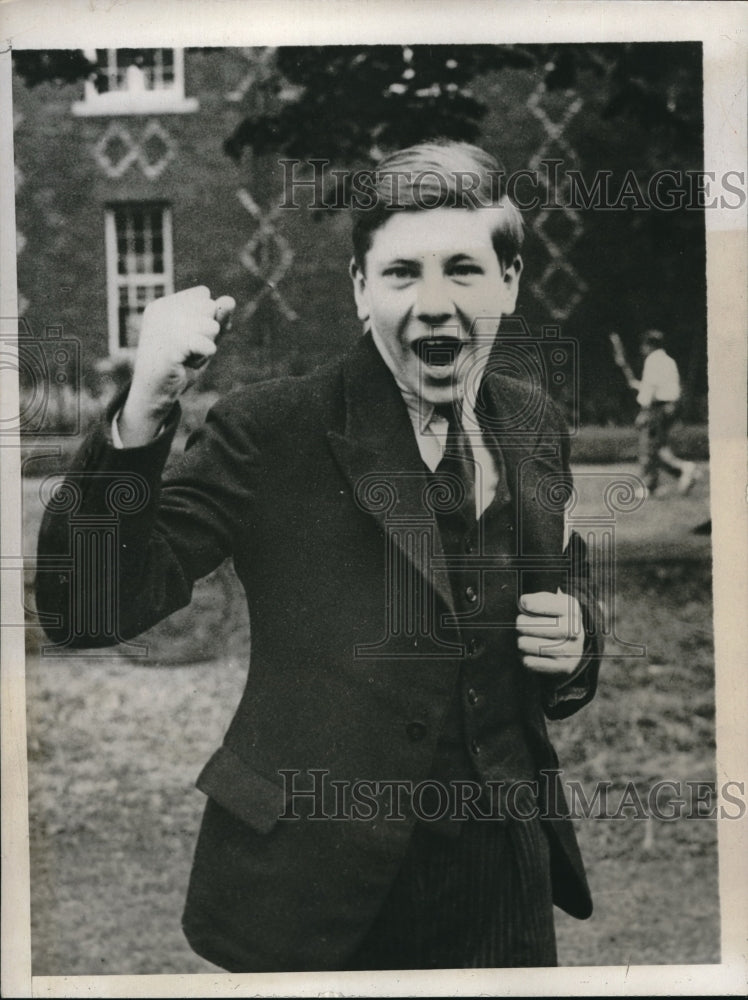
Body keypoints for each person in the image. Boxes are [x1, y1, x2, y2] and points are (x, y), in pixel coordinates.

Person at [36, 141, 604, 972]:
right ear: (360, 289)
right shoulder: (272, 430)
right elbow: (85, 607)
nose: (437, 303)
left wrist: (581, 639)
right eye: (404, 272)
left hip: (501, 885)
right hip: (319, 895)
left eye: (465, 270)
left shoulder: (532, 420)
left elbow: (563, 587)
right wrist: (145, 406)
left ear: (510, 283)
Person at [628, 328, 697, 497]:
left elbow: (651, 388)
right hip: (670, 407)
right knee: (658, 447)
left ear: (649, 345)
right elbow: (666, 387)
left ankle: (654, 483)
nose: (641, 349)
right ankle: (677, 474)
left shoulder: (652, 360)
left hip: (657, 408)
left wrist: (644, 411)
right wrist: (638, 385)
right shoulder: (668, 361)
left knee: (648, 447)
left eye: (643, 345)